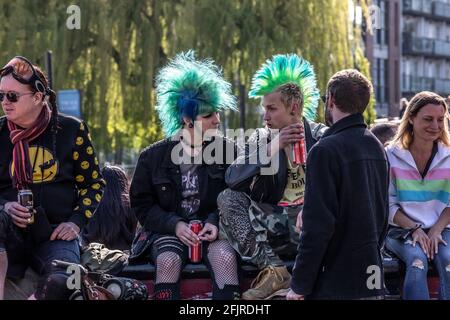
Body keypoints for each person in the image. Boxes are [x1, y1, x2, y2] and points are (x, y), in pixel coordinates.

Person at [129, 51, 240, 300]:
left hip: (213, 230)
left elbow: (236, 196)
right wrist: (175, 225)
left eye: (217, 112)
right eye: (208, 115)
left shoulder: (228, 151)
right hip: (167, 232)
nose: (217, 120)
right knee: (167, 262)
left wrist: (214, 221)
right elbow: (142, 205)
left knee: (224, 257)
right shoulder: (152, 157)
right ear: (187, 119)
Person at [218, 54, 327, 300]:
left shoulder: (322, 136)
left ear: (294, 108)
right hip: (274, 225)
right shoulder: (260, 138)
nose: (265, 116)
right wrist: (272, 146)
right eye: (264, 109)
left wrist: (312, 206)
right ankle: (273, 270)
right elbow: (233, 178)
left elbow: (341, 186)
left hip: (312, 223)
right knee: (227, 198)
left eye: (271, 109)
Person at [0, 56, 105, 300]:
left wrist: (76, 221)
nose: (5, 102)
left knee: (67, 278)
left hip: (55, 233)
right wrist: (5, 206)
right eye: (1, 95)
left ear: (38, 97)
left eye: (12, 96)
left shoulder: (72, 130)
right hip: (7, 232)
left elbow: (94, 185)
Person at [287, 69, 389, 300]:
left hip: (335, 281)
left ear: (331, 99)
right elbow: (382, 213)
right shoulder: (376, 146)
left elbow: (317, 227)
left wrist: (299, 285)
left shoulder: (325, 149)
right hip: (370, 272)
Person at [385, 91, 450, 300]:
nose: (435, 126)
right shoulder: (391, 155)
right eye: (428, 119)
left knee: (449, 264)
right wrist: (414, 228)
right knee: (416, 263)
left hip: (443, 227)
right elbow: (388, 204)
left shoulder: (448, 155)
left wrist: (436, 230)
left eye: (440, 120)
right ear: (411, 118)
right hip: (402, 230)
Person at [82, 165, 137, 251]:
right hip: (124, 254)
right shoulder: (130, 205)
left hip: (96, 254)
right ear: (123, 182)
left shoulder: (91, 204)